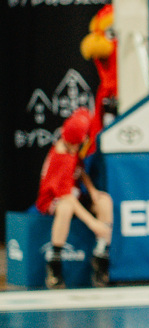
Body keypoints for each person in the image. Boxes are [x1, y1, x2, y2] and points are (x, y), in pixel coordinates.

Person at [36, 108, 111, 288]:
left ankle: (100, 255)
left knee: (104, 200)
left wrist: (92, 191)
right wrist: (94, 224)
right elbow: (66, 197)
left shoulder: (73, 145)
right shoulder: (62, 157)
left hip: (75, 194)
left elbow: (80, 170)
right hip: (53, 199)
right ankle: (54, 264)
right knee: (65, 207)